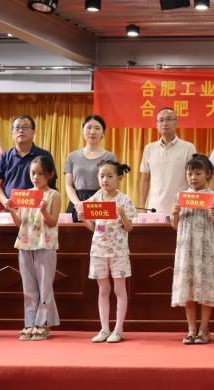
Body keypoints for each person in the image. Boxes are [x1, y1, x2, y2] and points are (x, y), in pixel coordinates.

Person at [171, 154, 214, 345]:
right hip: (186, 250)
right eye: (189, 174)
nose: (193, 177)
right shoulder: (181, 197)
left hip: (206, 251)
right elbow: (175, 226)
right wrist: (175, 214)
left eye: (198, 173)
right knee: (187, 289)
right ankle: (191, 329)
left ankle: (204, 329)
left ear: (208, 174)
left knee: (206, 289)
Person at [5, 156, 61, 341]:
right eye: (33, 173)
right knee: (28, 286)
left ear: (50, 175)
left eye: (40, 174)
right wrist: (12, 210)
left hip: (45, 244)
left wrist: (43, 210)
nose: (36, 177)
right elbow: (20, 223)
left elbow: (53, 222)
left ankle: (42, 324)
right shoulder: (25, 194)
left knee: (45, 286)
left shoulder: (53, 195)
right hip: (25, 243)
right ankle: (29, 323)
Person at [82, 160, 137, 344]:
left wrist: (123, 215)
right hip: (98, 250)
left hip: (118, 252)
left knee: (119, 289)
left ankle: (118, 329)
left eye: (109, 176)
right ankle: (104, 329)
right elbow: (93, 227)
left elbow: (129, 228)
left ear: (119, 178)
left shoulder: (124, 200)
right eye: (101, 176)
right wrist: (83, 218)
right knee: (103, 289)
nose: (105, 180)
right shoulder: (95, 199)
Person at [139, 107, 197, 215]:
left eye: (169, 119)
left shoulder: (188, 147)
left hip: (181, 209)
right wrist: (142, 207)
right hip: (155, 209)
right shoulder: (149, 148)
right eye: (161, 120)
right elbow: (145, 179)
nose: (164, 123)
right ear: (156, 124)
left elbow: (194, 179)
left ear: (176, 123)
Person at [0, 114, 56, 208]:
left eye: (25, 127)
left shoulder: (44, 155)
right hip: (11, 208)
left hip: (37, 208)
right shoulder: (4, 157)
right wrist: (5, 201)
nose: (21, 130)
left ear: (33, 131)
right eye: (17, 127)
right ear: (12, 132)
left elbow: (51, 182)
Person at [64, 114, 117, 222]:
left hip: (101, 202)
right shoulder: (72, 156)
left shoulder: (110, 157)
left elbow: (113, 184)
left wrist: (89, 203)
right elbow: (69, 185)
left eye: (97, 128)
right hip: (77, 204)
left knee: (101, 232)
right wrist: (78, 204)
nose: (92, 131)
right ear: (82, 130)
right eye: (89, 127)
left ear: (103, 133)